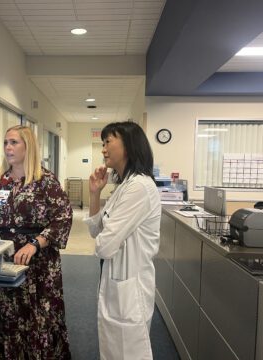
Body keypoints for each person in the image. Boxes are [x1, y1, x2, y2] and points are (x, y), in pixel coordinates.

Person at [0, 125, 73, 360]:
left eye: (14, 142)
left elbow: (62, 218)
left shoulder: (45, 181)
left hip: (37, 264)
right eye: (5, 143)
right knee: (0, 316)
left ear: (27, 146)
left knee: (35, 318)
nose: (8, 148)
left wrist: (35, 243)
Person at [84, 121, 161, 360]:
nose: (103, 149)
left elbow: (104, 246)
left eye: (108, 142)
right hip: (117, 278)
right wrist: (95, 193)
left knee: (129, 352)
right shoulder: (123, 186)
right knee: (115, 349)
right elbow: (97, 232)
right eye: (103, 143)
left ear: (127, 146)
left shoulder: (138, 187)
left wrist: (106, 239)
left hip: (131, 283)